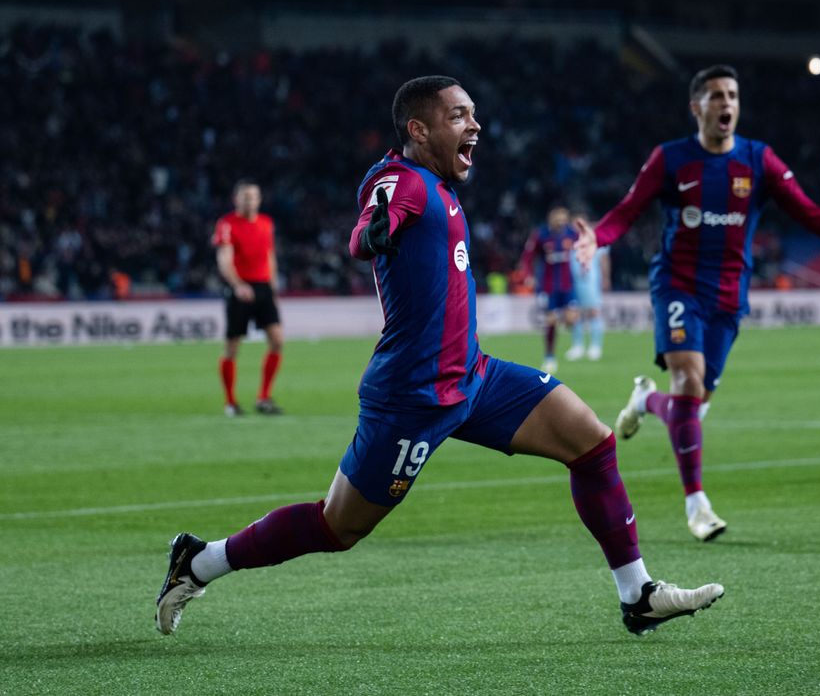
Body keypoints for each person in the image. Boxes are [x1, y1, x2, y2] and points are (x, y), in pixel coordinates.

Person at [157, 76, 723, 638]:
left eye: (474, 113)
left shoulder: (438, 183)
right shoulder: (400, 180)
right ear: (419, 129)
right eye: (459, 116)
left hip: (474, 377)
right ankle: (200, 560)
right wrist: (370, 234)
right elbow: (368, 227)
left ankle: (637, 594)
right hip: (414, 397)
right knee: (339, 526)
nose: (475, 125)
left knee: (592, 442)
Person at [573, 65, 820, 541]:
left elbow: (811, 213)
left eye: (733, 95)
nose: (727, 104)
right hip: (677, 284)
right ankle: (697, 505)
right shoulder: (671, 159)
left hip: (728, 295)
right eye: (716, 96)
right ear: (697, 107)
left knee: (691, 402)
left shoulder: (760, 161)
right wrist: (599, 237)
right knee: (688, 380)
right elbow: (627, 210)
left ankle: (644, 400)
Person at [212, 180, 285, 417]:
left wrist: (273, 287)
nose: (249, 200)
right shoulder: (227, 224)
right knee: (232, 347)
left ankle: (263, 397)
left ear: (259, 199)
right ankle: (230, 402)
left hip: (263, 287)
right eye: (245, 196)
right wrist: (238, 285)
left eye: (253, 196)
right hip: (240, 289)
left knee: (277, 340)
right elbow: (224, 258)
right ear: (236, 199)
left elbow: (269, 255)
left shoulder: (266, 223)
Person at [519, 206, 579, 373]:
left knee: (571, 319)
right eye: (558, 218)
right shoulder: (541, 235)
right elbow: (527, 256)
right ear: (551, 219)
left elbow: (586, 242)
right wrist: (528, 274)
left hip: (568, 285)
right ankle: (550, 356)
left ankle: (573, 341)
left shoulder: (571, 234)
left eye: (563, 218)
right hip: (548, 286)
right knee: (551, 321)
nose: (561, 222)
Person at [568, 215, 610, 361]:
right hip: (573, 283)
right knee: (575, 314)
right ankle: (578, 346)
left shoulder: (594, 239)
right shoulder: (570, 241)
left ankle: (595, 346)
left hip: (591, 282)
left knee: (593, 312)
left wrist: (606, 278)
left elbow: (604, 259)